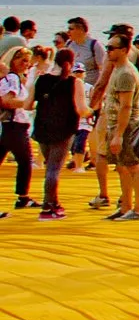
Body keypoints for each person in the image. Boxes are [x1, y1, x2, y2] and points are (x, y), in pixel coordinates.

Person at [87, 31, 139, 219]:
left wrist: (119, 134)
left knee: (134, 166)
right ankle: (125, 206)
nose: (108, 51)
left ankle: (138, 209)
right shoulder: (117, 70)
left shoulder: (126, 73)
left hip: (127, 125)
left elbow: (126, 106)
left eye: (112, 48)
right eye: (107, 47)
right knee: (123, 167)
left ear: (124, 50)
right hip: (115, 123)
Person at [29, 47, 82, 219]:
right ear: (72, 62)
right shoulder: (74, 82)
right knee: (53, 169)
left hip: (42, 128)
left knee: (50, 167)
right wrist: (94, 109)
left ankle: (53, 201)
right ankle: (48, 207)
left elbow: (28, 104)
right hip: (63, 129)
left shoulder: (42, 79)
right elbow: (81, 109)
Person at [0, 45, 35, 212]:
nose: (26, 64)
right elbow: (7, 101)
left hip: (9, 126)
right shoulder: (12, 79)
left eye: (27, 61)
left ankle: (23, 196)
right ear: (12, 60)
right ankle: (23, 197)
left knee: (24, 161)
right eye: (22, 60)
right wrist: (30, 104)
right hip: (14, 126)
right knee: (25, 161)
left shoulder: (11, 78)